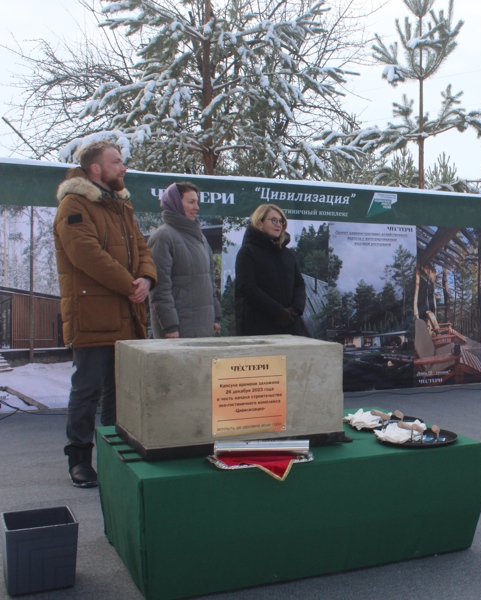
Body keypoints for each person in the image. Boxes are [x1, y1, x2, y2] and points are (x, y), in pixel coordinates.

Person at [54, 139, 157, 487]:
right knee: (87, 390)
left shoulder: (120, 205)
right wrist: (131, 284)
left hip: (126, 315)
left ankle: (114, 455)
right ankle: (79, 460)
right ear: (95, 168)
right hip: (92, 316)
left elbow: (141, 246)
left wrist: (145, 278)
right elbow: (86, 254)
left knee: (120, 390)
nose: (123, 168)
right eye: (116, 162)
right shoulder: (73, 203)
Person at [148, 182, 222, 339]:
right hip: (177, 330)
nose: (197, 207)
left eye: (196, 202)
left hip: (204, 327)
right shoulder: (163, 237)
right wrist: (170, 326)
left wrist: (215, 316)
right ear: (175, 203)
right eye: (191, 202)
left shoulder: (200, 237)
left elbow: (209, 281)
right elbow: (160, 288)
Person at [234, 204, 307, 336]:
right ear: (260, 223)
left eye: (281, 221)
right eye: (273, 220)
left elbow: (299, 284)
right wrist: (278, 313)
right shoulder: (247, 252)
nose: (278, 224)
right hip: (259, 327)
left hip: (291, 326)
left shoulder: (288, 254)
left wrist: (294, 310)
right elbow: (248, 287)